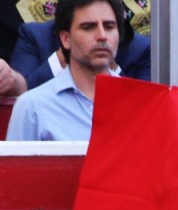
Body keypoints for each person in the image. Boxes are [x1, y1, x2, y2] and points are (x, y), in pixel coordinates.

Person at [6, 0, 122, 140]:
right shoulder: (32, 106)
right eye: (88, 27)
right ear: (65, 38)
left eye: (109, 27)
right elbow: (15, 162)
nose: (102, 35)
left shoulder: (139, 102)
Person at [10, 17, 150, 90]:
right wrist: (63, 57)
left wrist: (106, 61)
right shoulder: (34, 35)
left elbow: (142, 110)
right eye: (87, 27)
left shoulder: (142, 49)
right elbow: (20, 98)